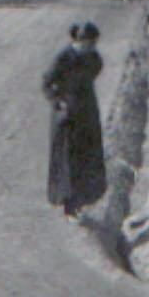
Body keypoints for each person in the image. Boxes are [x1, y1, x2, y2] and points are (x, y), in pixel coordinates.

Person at [43, 23, 108, 218]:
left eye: (93, 44)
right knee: (68, 162)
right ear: (77, 41)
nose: (90, 47)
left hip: (86, 114)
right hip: (67, 118)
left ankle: (82, 202)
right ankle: (68, 206)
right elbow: (47, 83)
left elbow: (96, 68)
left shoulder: (93, 57)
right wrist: (59, 101)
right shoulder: (63, 58)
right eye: (87, 44)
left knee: (86, 159)